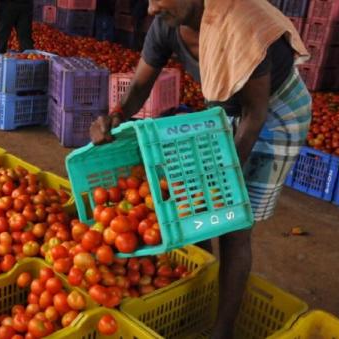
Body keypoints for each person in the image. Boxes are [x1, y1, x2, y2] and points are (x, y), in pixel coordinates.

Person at [90, 0, 311, 337]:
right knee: (201, 210)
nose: (150, 9)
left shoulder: (242, 27)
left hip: (274, 115)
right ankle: (202, 289)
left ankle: (222, 330)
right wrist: (116, 115)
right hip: (226, 112)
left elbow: (254, 115)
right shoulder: (167, 23)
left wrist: (224, 180)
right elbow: (138, 87)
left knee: (234, 224)